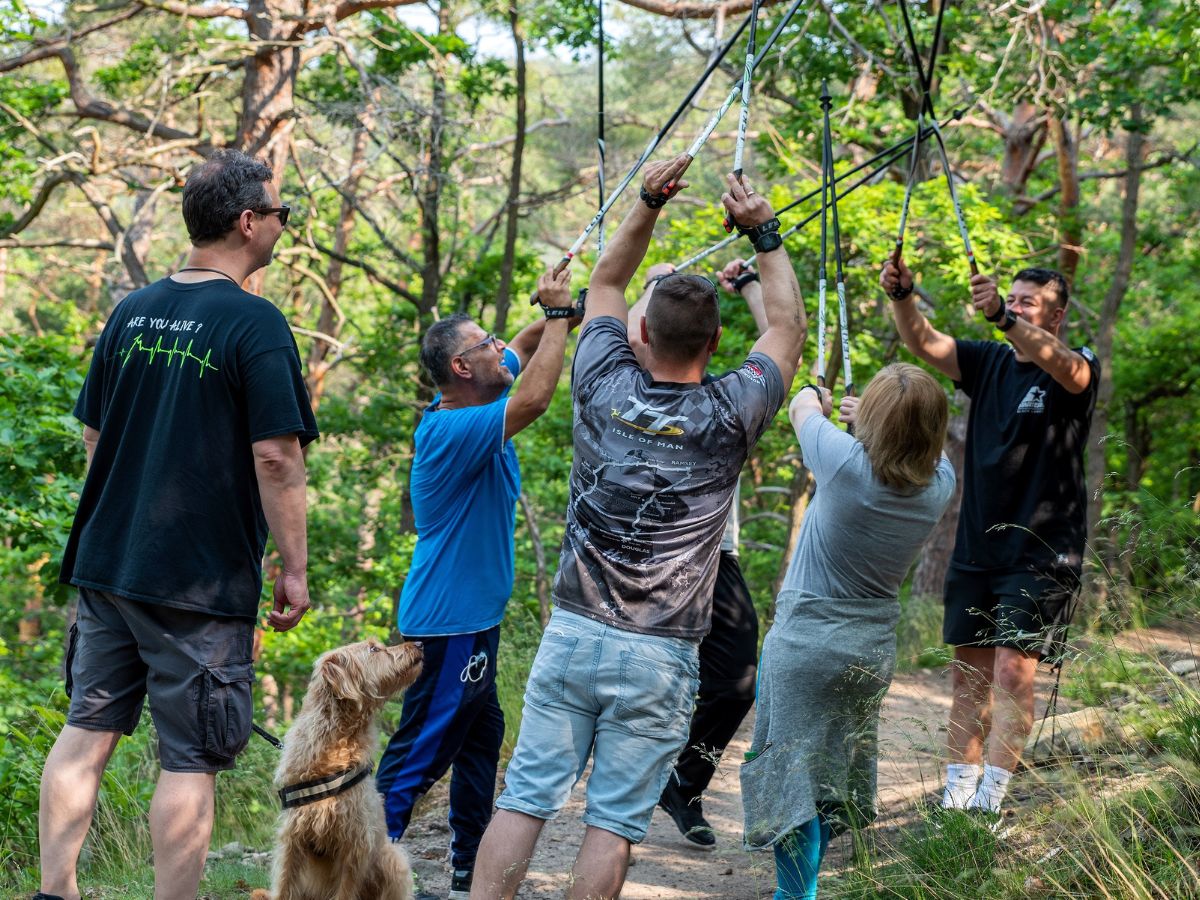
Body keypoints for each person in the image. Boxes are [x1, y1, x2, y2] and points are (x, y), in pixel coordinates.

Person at [471, 156, 807, 900]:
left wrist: (651, 199)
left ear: (641, 332)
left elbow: (605, 284)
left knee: (525, 798)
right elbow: (785, 324)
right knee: (614, 822)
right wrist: (763, 233)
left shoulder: (601, 377)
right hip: (659, 651)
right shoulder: (731, 413)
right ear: (716, 347)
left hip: (574, 632)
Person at [38, 149, 319, 900]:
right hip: (197, 582)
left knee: (86, 731)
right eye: (282, 212)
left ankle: (53, 891)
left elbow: (96, 436)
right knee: (190, 758)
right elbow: (277, 459)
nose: (286, 225)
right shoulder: (255, 323)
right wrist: (293, 567)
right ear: (248, 221)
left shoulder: (130, 310)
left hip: (108, 559)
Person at [374, 268, 575, 900]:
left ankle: (467, 865)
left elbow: (526, 334)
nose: (500, 347)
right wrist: (565, 318)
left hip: (473, 618)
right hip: (450, 624)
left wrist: (575, 303)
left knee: (481, 738)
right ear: (463, 367)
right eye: (485, 344)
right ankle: (358, 866)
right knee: (421, 752)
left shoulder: (478, 394)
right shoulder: (452, 428)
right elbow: (537, 400)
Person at [880, 258, 1099, 816]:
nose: (1019, 305)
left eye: (1030, 302)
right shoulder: (988, 362)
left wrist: (1003, 315)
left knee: (1011, 670)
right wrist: (903, 296)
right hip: (979, 546)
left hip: (1042, 551)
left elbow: (1071, 371)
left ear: (1057, 314)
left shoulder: (1074, 369)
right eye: (1015, 298)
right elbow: (924, 342)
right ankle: (957, 797)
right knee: (966, 675)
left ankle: (990, 803)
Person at [743, 365, 955, 899]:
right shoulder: (942, 483)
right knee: (833, 770)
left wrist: (817, 394)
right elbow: (911, 443)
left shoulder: (843, 466)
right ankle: (806, 881)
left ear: (877, 424)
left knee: (790, 776)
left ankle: (796, 894)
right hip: (871, 649)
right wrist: (869, 418)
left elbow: (799, 408)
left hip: (806, 644)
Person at [632, 258, 767, 847]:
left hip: (716, 554)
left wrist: (751, 284)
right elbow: (632, 336)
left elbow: (778, 342)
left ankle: (684, 783)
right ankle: (619, 797)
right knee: (644, 684)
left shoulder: (726, 401)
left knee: (738, 680)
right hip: (640, 557)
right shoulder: (628, 390)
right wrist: (650, 287)